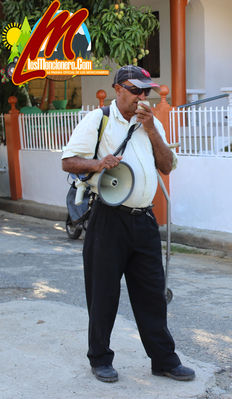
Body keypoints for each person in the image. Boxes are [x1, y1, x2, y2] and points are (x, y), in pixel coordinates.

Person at [62, 65, 195, 383]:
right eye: (135, 90)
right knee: (103, 294)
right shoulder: (99, 120)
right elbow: (68, 161)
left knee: (152, 294)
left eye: (145, 91)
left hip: (144, 220)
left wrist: (151, 131)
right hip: (109, 220)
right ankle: (100, 359)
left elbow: (166, 166)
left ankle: (163, 360)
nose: (142, 96)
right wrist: (98, 163)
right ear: (118, 89)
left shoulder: (152, 123)